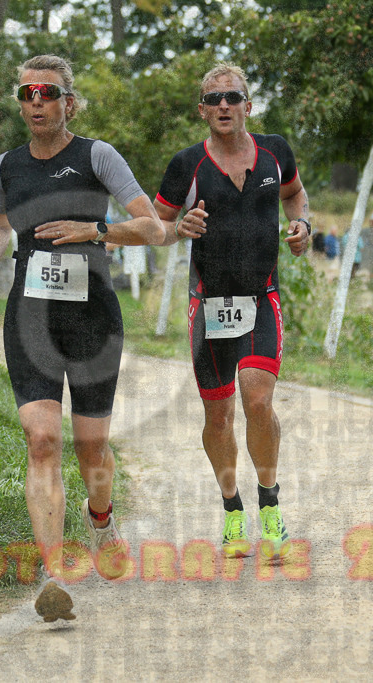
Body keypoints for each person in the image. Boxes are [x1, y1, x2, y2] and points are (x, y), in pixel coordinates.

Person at [0, 55, 164, 621]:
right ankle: (53, 574)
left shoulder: (96, 156)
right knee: (41, 440)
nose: (36, 101)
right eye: (27, 92)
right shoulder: (5, 166)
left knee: (90, 447)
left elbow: (152, 226)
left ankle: (100, 520)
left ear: (68, 102)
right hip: (30, 314)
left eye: (48, 93)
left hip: (92, 317)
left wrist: (94, 230)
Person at [153, 63, 310, 561]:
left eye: (232, 97)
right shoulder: (187, 165)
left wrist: (301, 224)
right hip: (211, 304)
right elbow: (155, 223)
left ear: (248, 105)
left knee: (258, 401)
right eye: (213, 99)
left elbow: (295, 194)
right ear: (202, 110)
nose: (223, 105)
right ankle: (232, 510)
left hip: (262, 298)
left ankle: (270, 504)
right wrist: (179, 227)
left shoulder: (275, 152)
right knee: (217, 416)